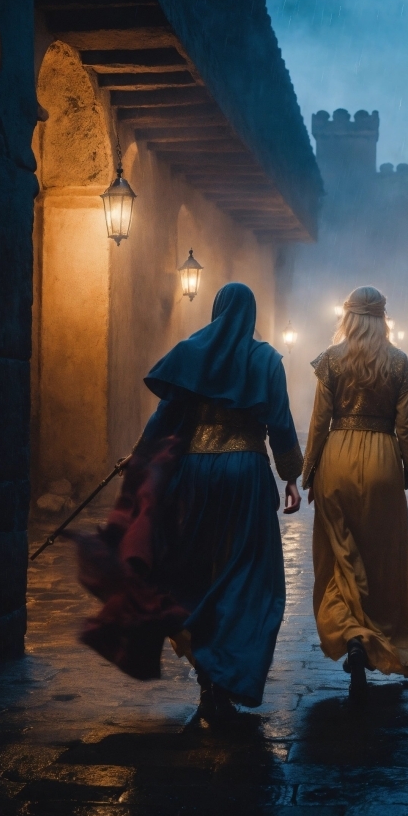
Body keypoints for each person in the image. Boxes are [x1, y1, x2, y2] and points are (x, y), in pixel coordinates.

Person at [75, 282, 303, 724]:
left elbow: (167, 416)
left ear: (216, 311)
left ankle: (207, 681)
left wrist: (139, 456)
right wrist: (291, 476)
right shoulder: (266, 360)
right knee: (249, 576)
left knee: (197, 572)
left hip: (197, 476)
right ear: (252, 315)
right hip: (247, 475)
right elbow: (280, 422)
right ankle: (227, 674)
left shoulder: (193, 355)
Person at [302, 285, 408, 700]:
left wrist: (308, 473)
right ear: (381, 318)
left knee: (341, 556)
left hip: (337, 459)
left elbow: (319, 420)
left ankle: (352, 636)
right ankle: (377, 637)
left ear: (349, 317)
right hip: (382, 462)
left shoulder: (330, 361)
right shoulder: (398, 364)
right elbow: (406, 426)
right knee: (381, 559)